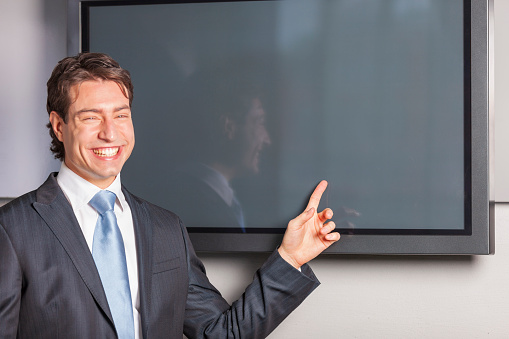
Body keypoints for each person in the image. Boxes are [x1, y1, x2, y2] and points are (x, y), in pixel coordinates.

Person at [0, 52, 339, 339]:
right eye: (91, 117)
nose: (110, 132)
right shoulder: (12, 229)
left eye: (121, 115)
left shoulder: (166, 229)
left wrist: (290, 259)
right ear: (59, 126)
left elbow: (220, 333)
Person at [163, 67, 271, 232]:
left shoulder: (197, 194)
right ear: (229, 127)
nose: (267, 139)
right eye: (259, 122)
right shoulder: (195, 204)